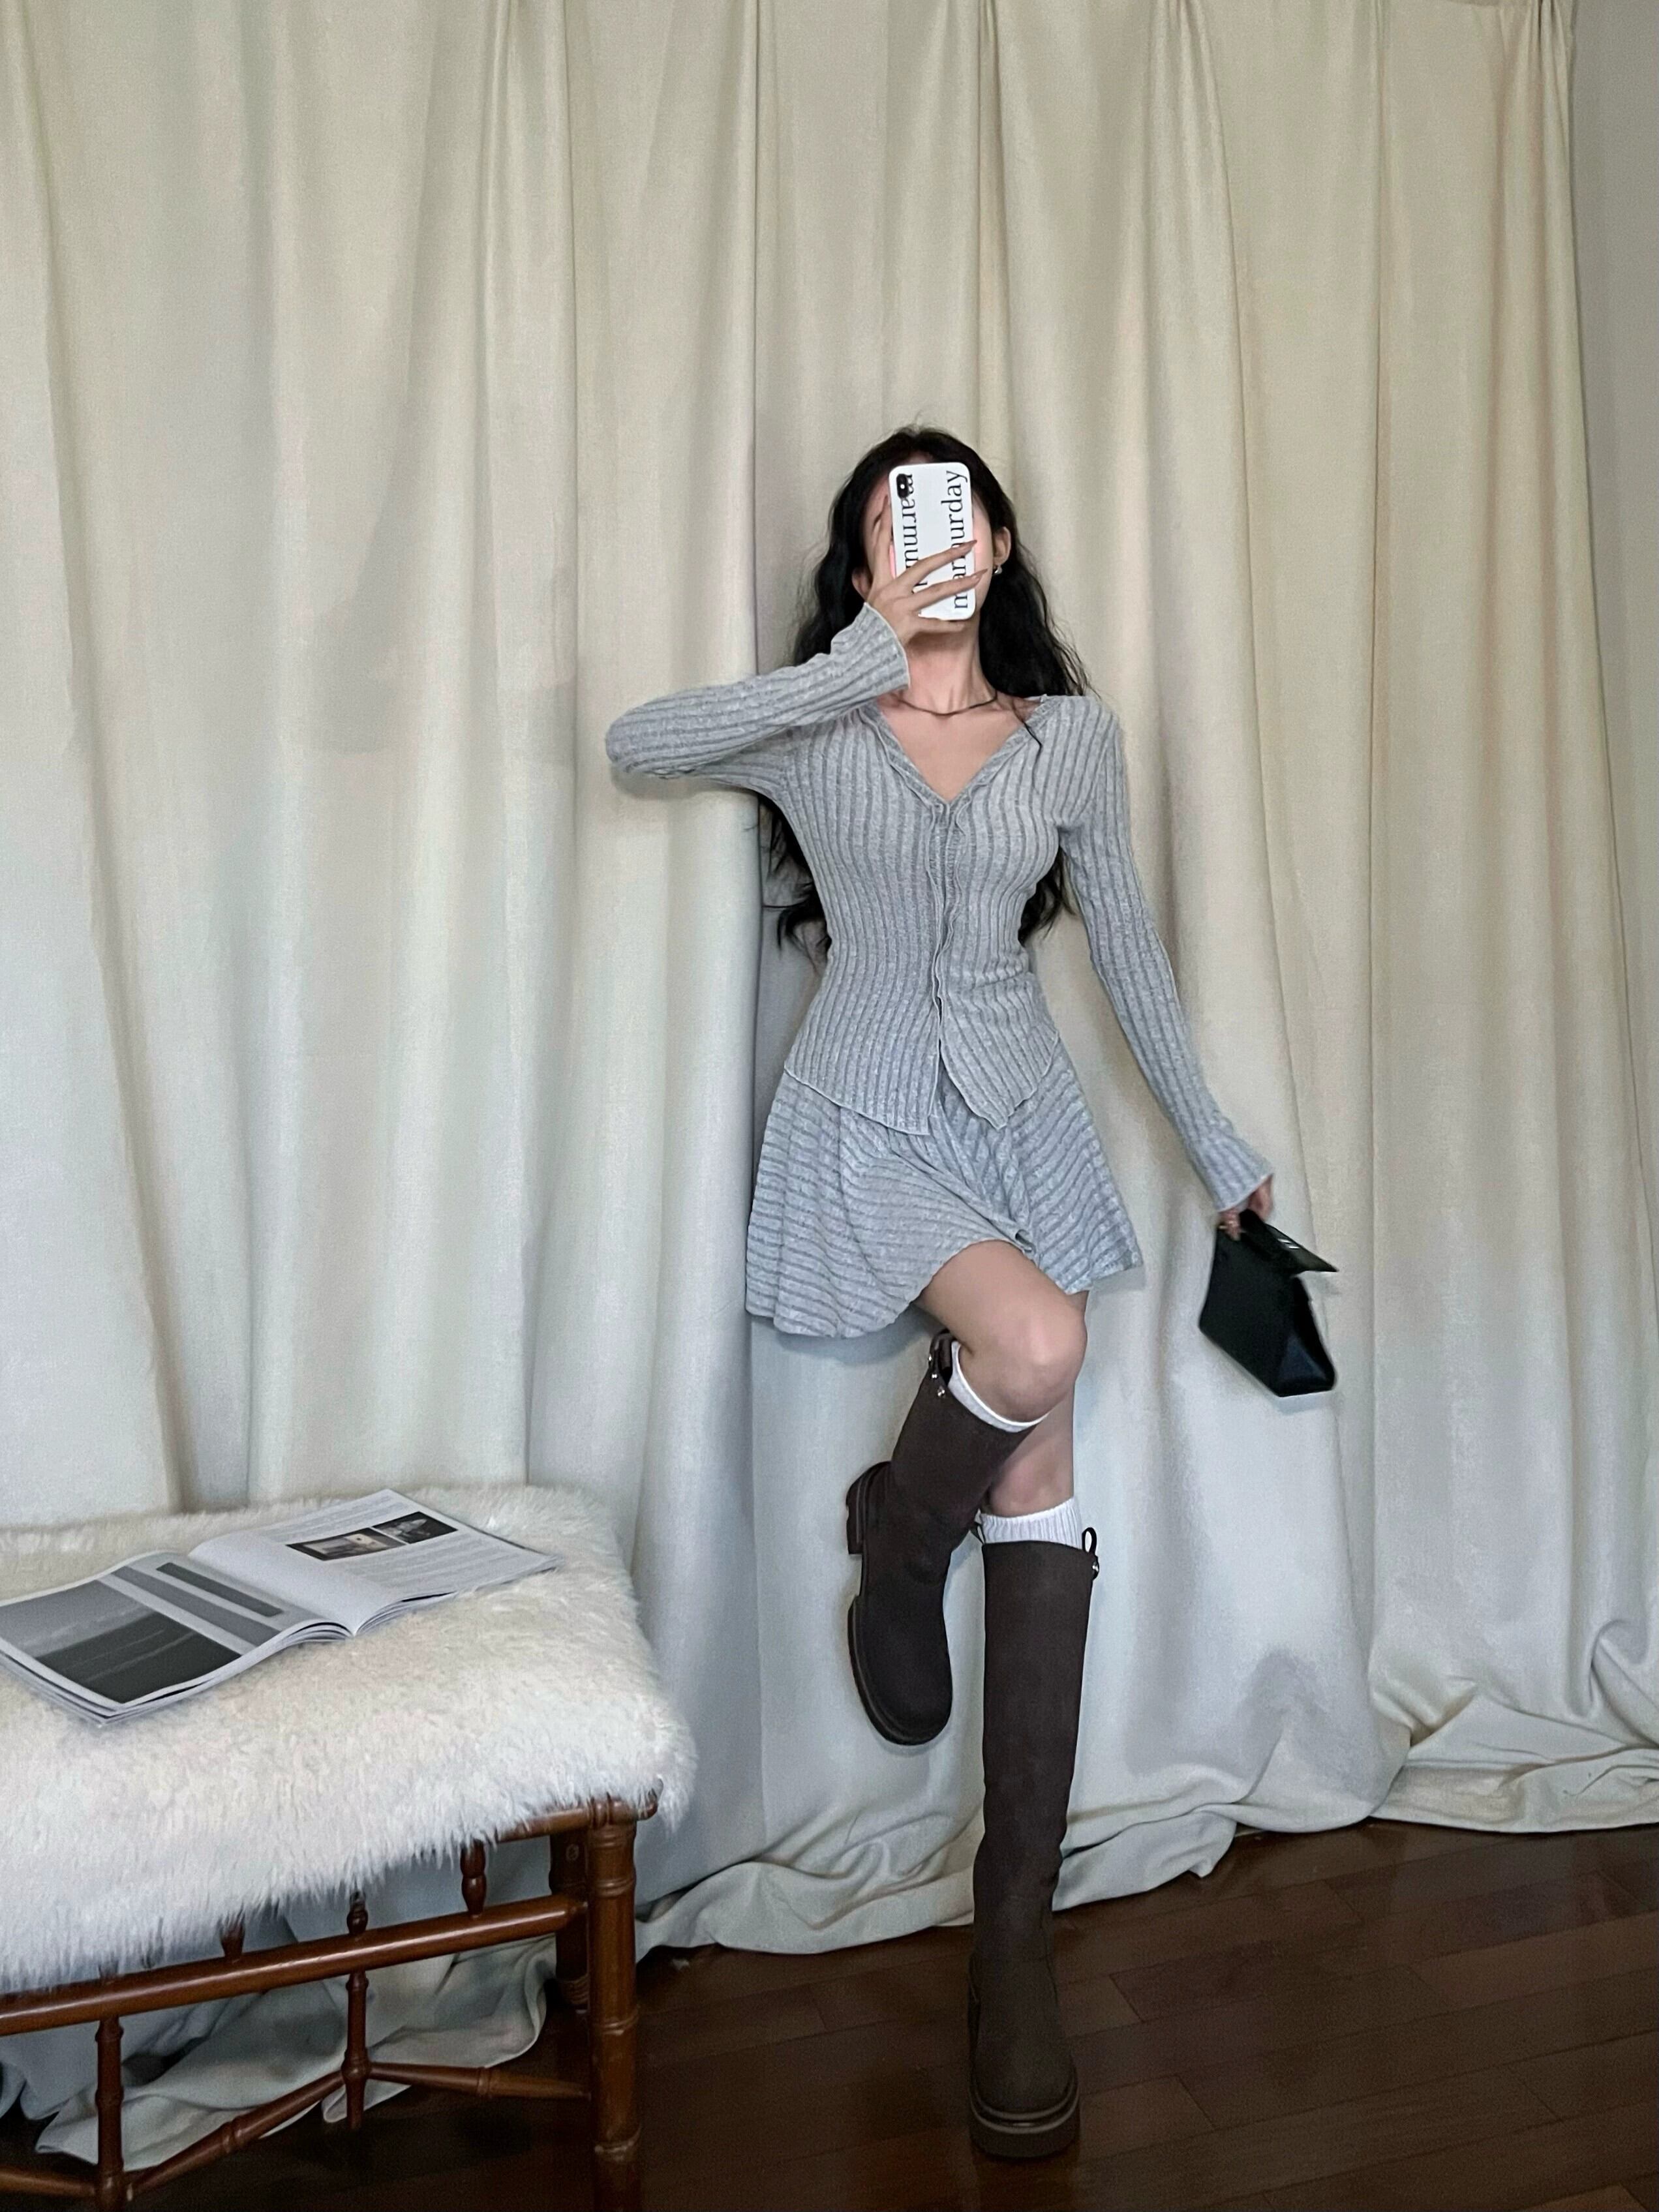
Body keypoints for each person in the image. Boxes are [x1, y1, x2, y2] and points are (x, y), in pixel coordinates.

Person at [605, 425, 1274, 2161]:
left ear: (1003, 544)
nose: (938, 543)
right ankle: (904, 1548)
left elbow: (1128, 948)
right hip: (866, 1115)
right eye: (903, 528)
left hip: (1023, 1113)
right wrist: (859, 655)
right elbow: (638, 744)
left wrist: (1214, 1144)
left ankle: (1013, 1944)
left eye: (960, 518)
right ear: (864, 561)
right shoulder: (825, 724)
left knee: (1044, 1448)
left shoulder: (1070, 739)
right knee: (1039, 1342)